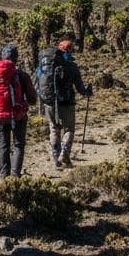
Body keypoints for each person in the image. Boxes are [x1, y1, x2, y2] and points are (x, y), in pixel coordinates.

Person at [0, 44, 37, 178]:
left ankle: (4, 175)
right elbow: (32, 98)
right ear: (16, 57)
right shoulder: (21, 75)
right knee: (18, 144)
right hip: (18, 114)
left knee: (3, 145)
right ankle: (15, 175)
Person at [37, 39, 92, 168]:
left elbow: (37, 83)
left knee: (54, 129)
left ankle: (56, 156)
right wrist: (87, 92)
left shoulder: (44, 66)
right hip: (67, 102)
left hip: (49, 102)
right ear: (71, 50)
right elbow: (79, 88)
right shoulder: (72, 66)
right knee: (69, 129)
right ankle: (65, 153)